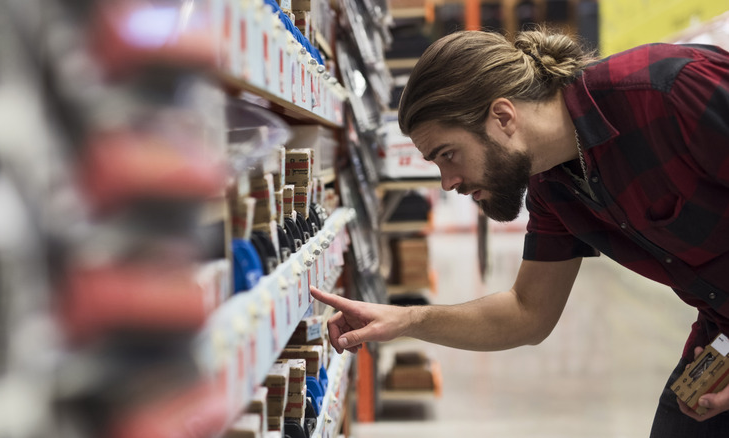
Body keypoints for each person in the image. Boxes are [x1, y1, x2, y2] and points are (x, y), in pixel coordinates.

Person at [309, 27, 729, 436]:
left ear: (503, 117)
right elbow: (528, 313)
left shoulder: (667, 91)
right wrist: (406, 319)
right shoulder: (553, 187)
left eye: (448, 155)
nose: (447, 182)